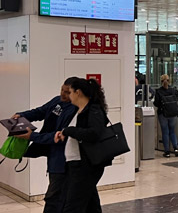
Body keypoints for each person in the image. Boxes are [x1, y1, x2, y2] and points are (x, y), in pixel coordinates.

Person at [11, 77, 79, 212]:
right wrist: (22, 116)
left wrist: (32, 136)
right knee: (58, 194)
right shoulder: (57, 101)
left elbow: (59, 137)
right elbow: (40, 111)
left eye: (67, 92)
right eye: (62, 90)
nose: (62, 95)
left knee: (55, 196)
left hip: (65, 161)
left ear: (76, 93)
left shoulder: (76, 111)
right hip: (54, 157)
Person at [54, 78, 111, 212]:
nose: (69, 96)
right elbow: (81, 132)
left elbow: (94, 133)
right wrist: (65, 133)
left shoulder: (93, 110)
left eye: (71, 92)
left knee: (73, 206)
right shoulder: (80, 110)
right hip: (77, 164)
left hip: (85, 166)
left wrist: (69, 131)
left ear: (78, 92)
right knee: (91, 204)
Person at [153, 74, 178, 158]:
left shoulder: (159, 91)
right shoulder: (173, 90)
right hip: (173, 114)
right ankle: (176, 149)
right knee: (172, 132)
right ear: (169, 81)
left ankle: (167, 151)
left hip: (163, 114)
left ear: (161, 81)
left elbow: (156, 103)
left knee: (165, 132)